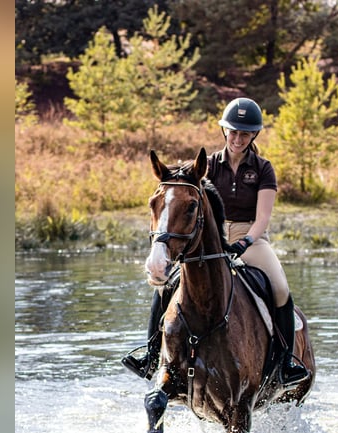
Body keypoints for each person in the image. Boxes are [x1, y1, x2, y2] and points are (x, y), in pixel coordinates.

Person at [122, 97, 308, 385]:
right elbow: (179, 190)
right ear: (225, 132)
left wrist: (246, 242)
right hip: (212, 239)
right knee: (165, 288)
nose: (237, 138)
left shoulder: (262, 168)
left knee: (280, 288)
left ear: (253, 135)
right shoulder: (207, 165)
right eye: (233, 132)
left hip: (251, 238)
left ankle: (286, 362)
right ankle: (150, 354)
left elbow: (263, 217)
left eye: (244, 133)